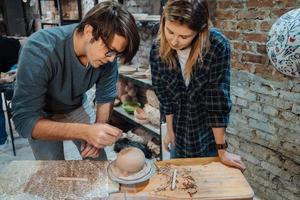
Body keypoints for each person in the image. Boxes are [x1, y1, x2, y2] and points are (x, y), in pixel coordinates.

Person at [12, 1, 140, 160]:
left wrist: (97, 133)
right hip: (41, 114)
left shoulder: (108, 58)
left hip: (75, 105)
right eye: (110, 51)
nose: (112, 59)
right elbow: (25, 120)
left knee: (97, 160)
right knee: (52, 168)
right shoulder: (39, 48)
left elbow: (105, 97)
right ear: (89, 31)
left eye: (117, 54)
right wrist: (85, 132)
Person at [150, 0, 246, 171]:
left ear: (200, 31)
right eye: (170, 31)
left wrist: (221, 150)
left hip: (207, 135)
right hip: (178, 134)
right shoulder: (158, 50)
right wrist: (169, 131)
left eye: (184, 36)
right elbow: (164, 96)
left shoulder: (216, 46)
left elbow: (217, 101)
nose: (174, 41)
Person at [0, 36, 20, 145]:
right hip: (16, 78)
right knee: (18, 103)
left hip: (9, 79)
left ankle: (2, 139)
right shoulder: (13, 42)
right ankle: (21, 127)